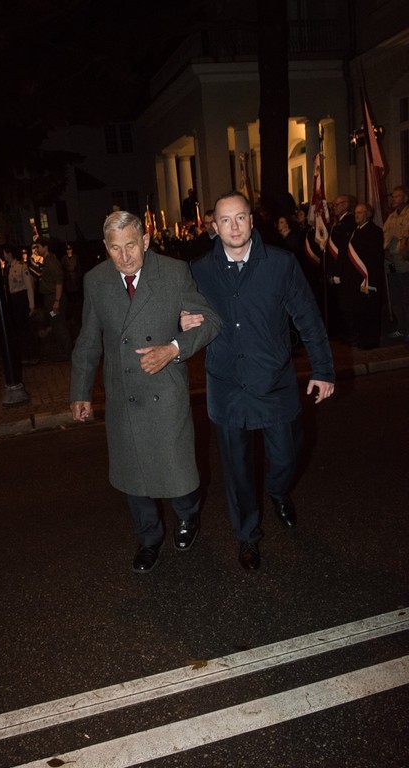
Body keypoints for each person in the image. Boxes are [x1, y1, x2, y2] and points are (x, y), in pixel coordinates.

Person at [186, 191, 335, 572]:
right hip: (227, 386)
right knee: (237, 472)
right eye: (225, 220)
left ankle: (278, 489)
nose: (234, 226)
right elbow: (183, 316)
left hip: (274, 382)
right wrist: (182, 320)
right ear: (214, 227)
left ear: (252, 221)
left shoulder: (281, 264)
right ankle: (247, 536)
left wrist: (322, 370)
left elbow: (308, 318)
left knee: (287, 456)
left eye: (240, 217)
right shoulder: (199, 271)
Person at [69, 210, 222, 574]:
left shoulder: (173, 272)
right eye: (115, 248)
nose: (125, 256)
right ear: (105, 247)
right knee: (133, 474)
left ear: (146, 241)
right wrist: (80, 391)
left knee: (179, 472)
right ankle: (148, 537)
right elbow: (88, 342)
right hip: (124, 395)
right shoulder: (96, 280)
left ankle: (187, 514)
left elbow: (211, 322)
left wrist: (173, 349)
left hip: (165, 391)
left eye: (131, 245)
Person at [340, 203, 384, 349]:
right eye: (355, 213)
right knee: (358, 311)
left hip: (367, 279)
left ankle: (370, 341)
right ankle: (360, 338)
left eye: (360, 212)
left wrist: (371, 280)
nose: (356, 215)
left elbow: (374, 258)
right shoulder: (355, 231)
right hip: (354, 280)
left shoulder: (374, 231)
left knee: (369, 312)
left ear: (368, 214)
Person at [0, 243, 39, 365]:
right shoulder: (7, 267)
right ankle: (24, 355)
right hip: (12, 300)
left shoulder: (21, 266)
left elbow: (29, 287)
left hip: (21, 299)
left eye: (3, 253)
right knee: (18, 330)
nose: (2, 256)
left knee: (26, 329)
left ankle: (33, 355)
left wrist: (31, 305)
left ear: (9, 253)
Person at [35, 237, 72, 362]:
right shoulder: (47, 260)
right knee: (55, 323)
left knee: (58, 324)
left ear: (45, 247)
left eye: (38, 247)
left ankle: (67, 352)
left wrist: (56, 301)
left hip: (54, 298)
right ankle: (63, 351)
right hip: (51, 298)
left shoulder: (51, 262)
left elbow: (58, 282)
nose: (37, 249)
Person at [326, 194, 357, 339]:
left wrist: (338, 272)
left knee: (347, 303)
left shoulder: (348, 222)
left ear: (345, 205)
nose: (334, 208)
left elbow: (343, 250)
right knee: (340, 303)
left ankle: (349, 334)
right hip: (337, 268)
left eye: (336, 204)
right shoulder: (338, 222)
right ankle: (343, 332)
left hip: (344, 270)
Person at [383, 185, 409, 341]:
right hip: (391, 263)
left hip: (404, 263)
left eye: (397, 196)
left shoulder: (407, 215)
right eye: (392, 196)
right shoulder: (391, 217)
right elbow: (384, 235)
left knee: (407, 296)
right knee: (396, 296)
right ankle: (401, 327)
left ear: (405, 198)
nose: (393, 199)